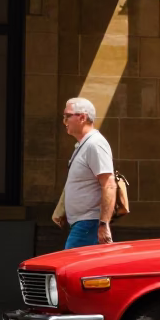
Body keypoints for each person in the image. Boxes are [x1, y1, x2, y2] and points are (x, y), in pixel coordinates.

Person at [54, 97, 116, 249]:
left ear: (82, 117)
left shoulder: (95, 144)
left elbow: (109, 184)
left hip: (89, 224)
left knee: (70, 269)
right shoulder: (84, 145)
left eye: (67, 116)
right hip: (82, 223)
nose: (64, 121)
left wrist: (103, 224)